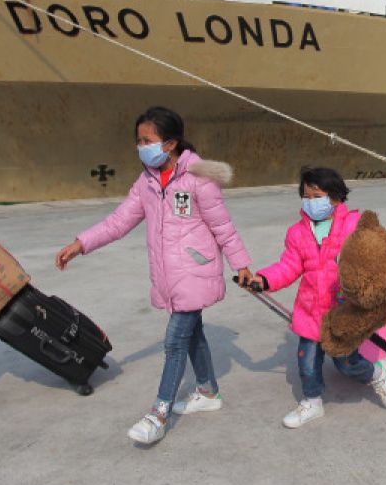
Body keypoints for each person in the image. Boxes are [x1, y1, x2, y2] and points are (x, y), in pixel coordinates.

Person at [55, 107, 253, 445]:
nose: (140, 146)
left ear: (170, 143)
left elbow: (223, 226)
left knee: (175, 341)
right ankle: (207, 391)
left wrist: (242, 265)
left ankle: (158, 413)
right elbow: (118, 222)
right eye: (138, 140)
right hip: (167, 275)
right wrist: (81, 243)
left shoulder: (198, 178)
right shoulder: (146, 182)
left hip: (195, 270)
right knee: (192, 335)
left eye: (147, 140)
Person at [241, 167, 386, 428]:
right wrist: (264, 279)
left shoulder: (354, 226)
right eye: (306, 196)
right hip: (310, 310)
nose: (310, 201)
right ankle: (312, 402)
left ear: (335, 197)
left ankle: (379, 372)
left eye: (316, 195)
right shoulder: (297, 233)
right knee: (308, 362)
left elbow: (373, 261)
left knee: (347, 363)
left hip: (343, 312)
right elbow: (289, 266)